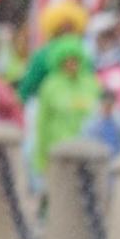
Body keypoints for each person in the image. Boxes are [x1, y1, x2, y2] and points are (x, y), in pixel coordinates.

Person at [32, 37, 100, 183]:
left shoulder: (91, 83)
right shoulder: (50, 86)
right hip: (60, 151)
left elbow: (99, 111)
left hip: (88, 150)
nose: (72, 64)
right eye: (67, 60)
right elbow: (42, 122)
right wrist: (41, 158)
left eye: (75, 60)